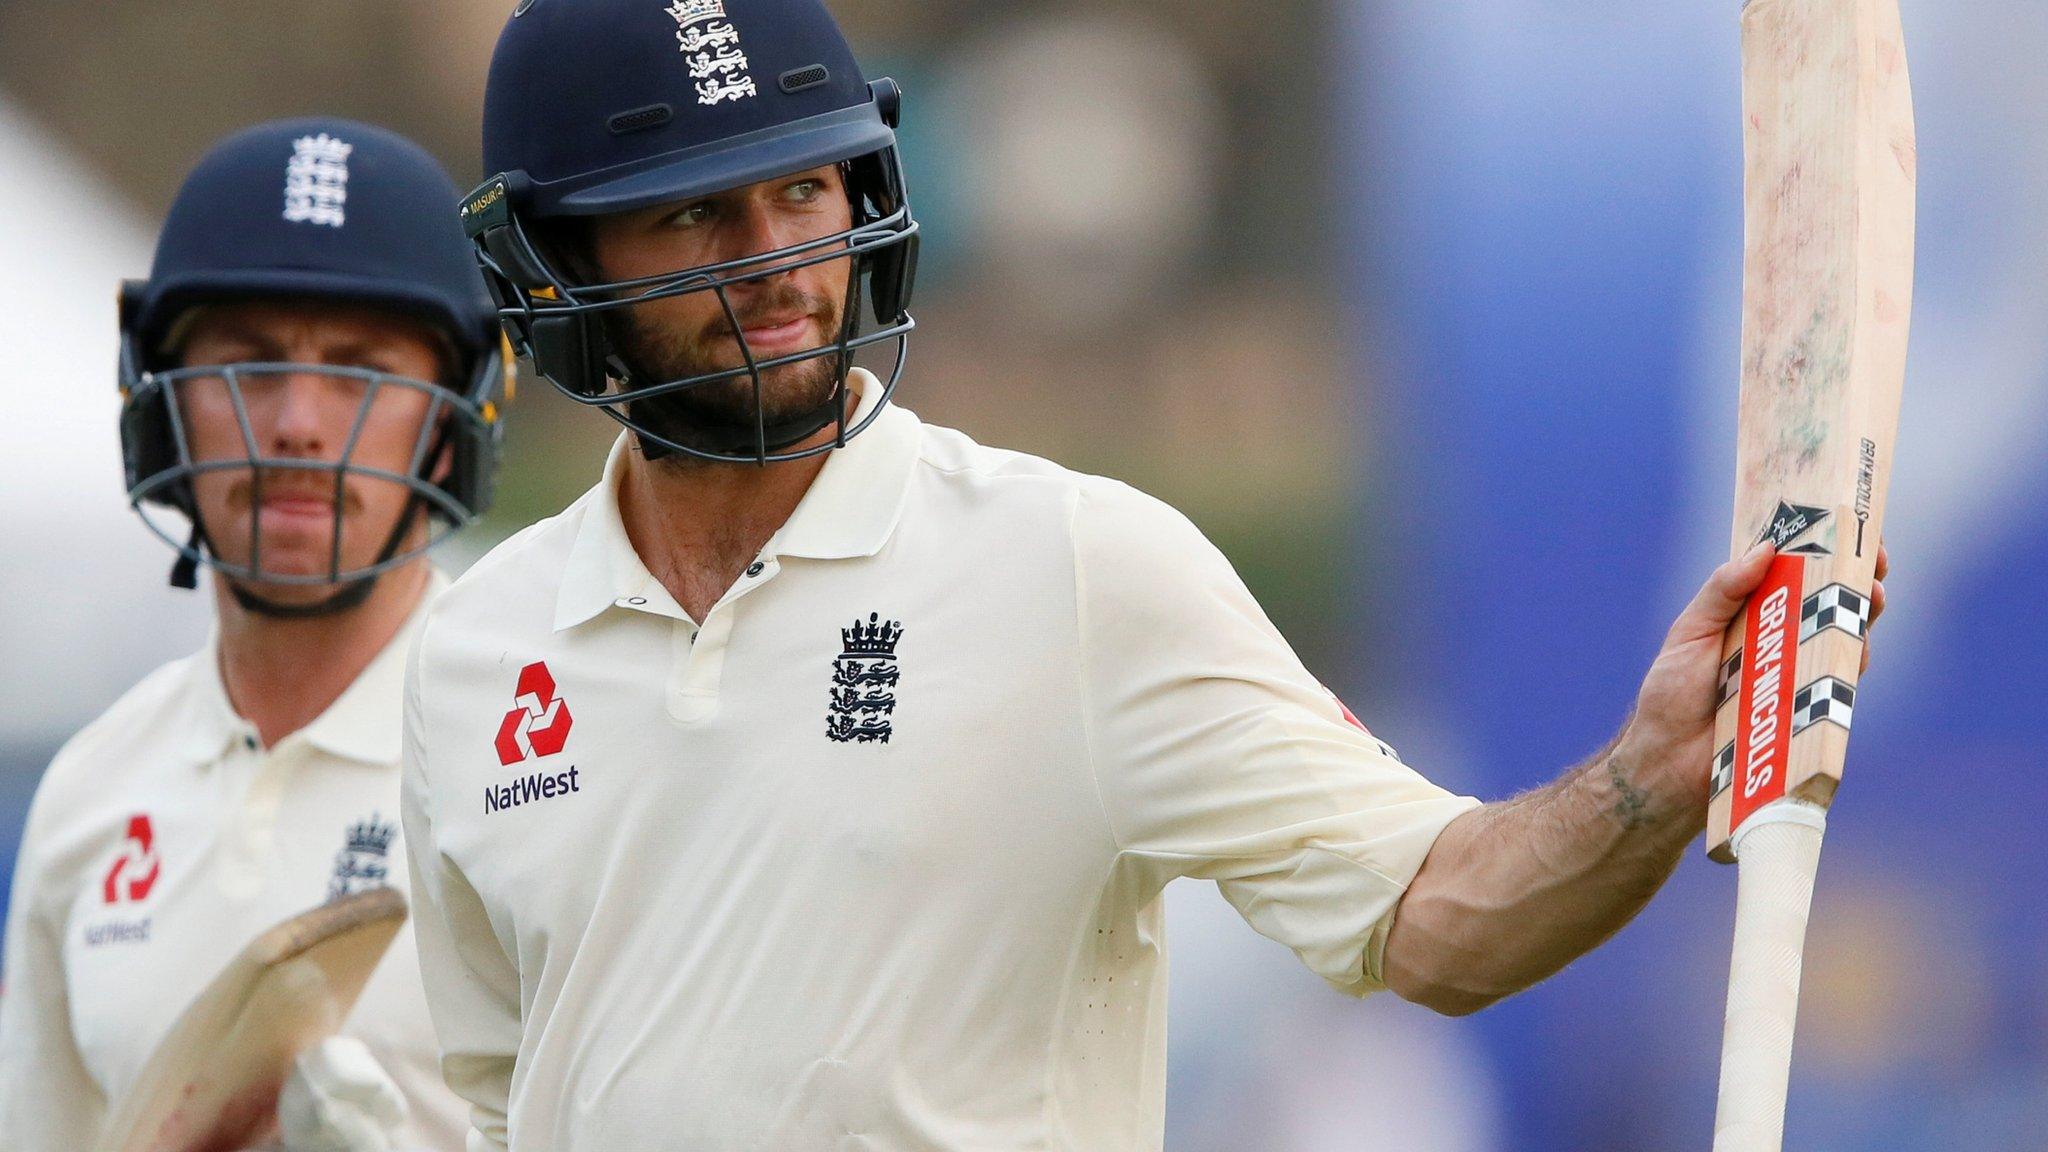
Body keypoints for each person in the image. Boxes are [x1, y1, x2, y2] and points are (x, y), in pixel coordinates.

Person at [405, 2, 1888, 1149]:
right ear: (553, 263)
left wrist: (1642, 778)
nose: (780, 262)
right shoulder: (476, 651)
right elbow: (495, 1103)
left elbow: (1437, 916)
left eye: (804, 193)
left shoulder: (1073, 566)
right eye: (696, 215)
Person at [0, 117, 508, 1152]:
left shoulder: (553, 739)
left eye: (364, 373)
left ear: (455, 424)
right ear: (162, 409)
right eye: (249, 365)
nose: (299, 426)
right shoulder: (92, 795)